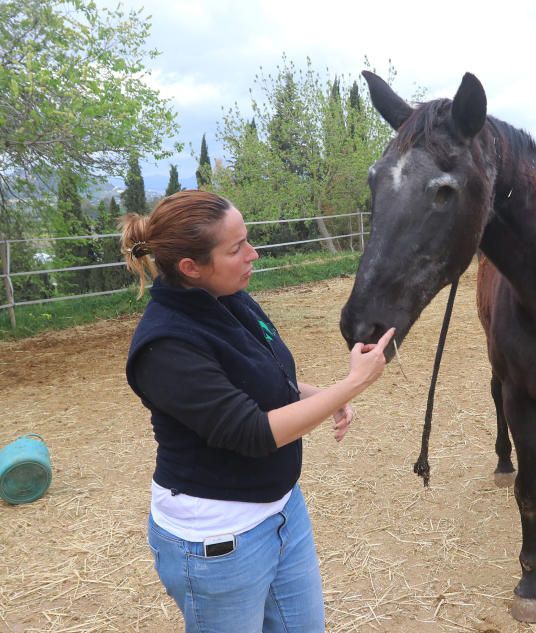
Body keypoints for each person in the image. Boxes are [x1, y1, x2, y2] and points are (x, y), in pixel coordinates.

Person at [120, 190, 393, 633]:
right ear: (190, 267)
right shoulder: (166, 345)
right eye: (236, 248)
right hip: (218, 541)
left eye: (247, 240)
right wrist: (353, 383)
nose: (253, 254)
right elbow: (252, 431)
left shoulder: (229, 297)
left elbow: (265, 380)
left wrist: (319, 394)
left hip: (283, 511)